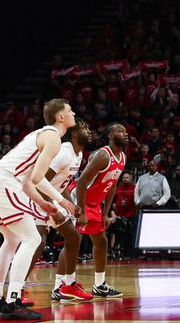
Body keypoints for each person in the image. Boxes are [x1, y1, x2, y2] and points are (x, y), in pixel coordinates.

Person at [0, 98, 77, 319]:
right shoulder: (53, 137)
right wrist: (59, 200)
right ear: (60, 117)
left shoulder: (42, 135)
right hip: (4, 183)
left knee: (12, 240)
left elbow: (28, 181)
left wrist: (43, 202)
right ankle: (12, 301)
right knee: (32, 239)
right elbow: (37, 177)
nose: (74, 114)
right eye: (70, 111)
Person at [33, 118, 95, 303]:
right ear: (74, 133)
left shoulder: (78, 154)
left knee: (68, 239)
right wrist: (52, 206)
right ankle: (65, 285)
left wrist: (71, 204)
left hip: (52, 199)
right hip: (38, 198)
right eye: (85, 128)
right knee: (39, 243)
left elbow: (62, 183)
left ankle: (62, 286)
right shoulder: (64, 153)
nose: (90, 131)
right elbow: (40, 181)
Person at [75, 122, 128, 299]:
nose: (125, 134)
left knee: (102, 241)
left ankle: (99, 285)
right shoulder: (103, 155)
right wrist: (81, 211)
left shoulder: (122, 157)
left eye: (126, 131)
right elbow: (81, 182)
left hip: (95, 204)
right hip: (80, 199)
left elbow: (111, 185)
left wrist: (105, 213)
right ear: (111, 136)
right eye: (120, 131)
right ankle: (62, 284)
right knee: (73, 241)